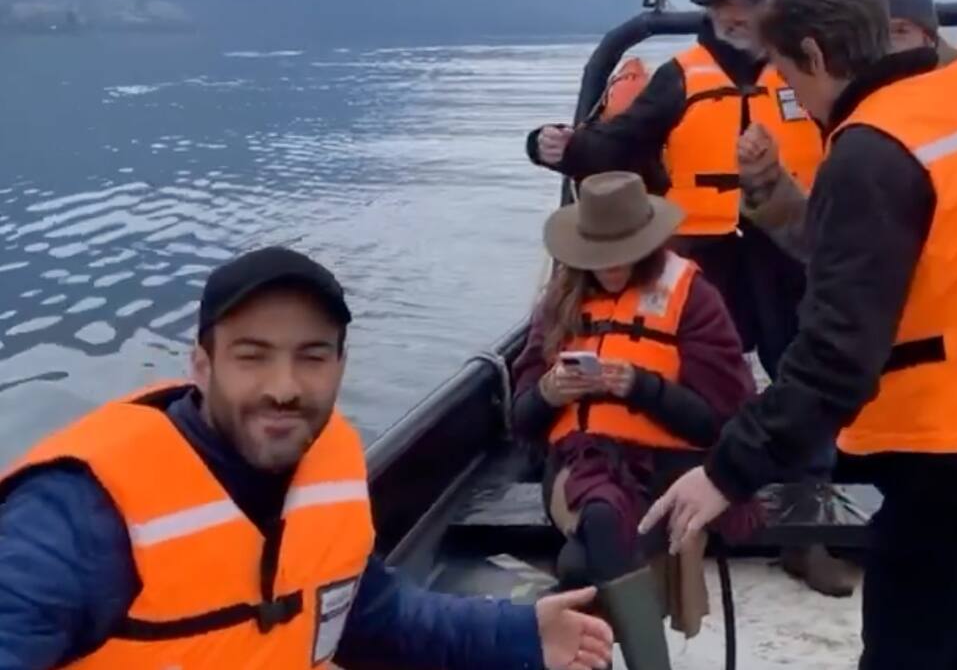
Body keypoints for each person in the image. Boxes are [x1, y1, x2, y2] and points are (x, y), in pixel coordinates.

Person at [640, 0, 957, 670]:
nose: (794, 98)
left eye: (788, 77)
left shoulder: (871, 148)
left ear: (813, 55)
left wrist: (724, 474)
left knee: (907, 649)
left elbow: (834, 353)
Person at [0, 246, 614, 670]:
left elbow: (374, 618)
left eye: (312, 356)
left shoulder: (327, 465)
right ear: (201, 365)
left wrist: (523, 635)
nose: (284, 386)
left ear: (340, 367)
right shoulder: (77, 513)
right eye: (253, 355)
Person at [527, 0, 823, 382]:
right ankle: (711, 434)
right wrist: (555, 147)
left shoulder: (806, 68)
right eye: (725, 5)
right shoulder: (680, 76)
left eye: (749, 3)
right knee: (704, 362)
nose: (737, 15)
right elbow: (617, 143)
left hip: (790, 245)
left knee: (797, 359)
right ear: (710, 12)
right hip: (702, 249)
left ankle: (804, 439)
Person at [510, 171, 757, 669]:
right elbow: (523, 420)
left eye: (623, 252)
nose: (612, 267)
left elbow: (717, 423)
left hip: (669, 465)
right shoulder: (560, 299)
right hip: (578, 465)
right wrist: (549, 391)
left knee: (580, 564)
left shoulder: (694, 298)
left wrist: (639, 387)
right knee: (601, 514)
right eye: (600, 256)